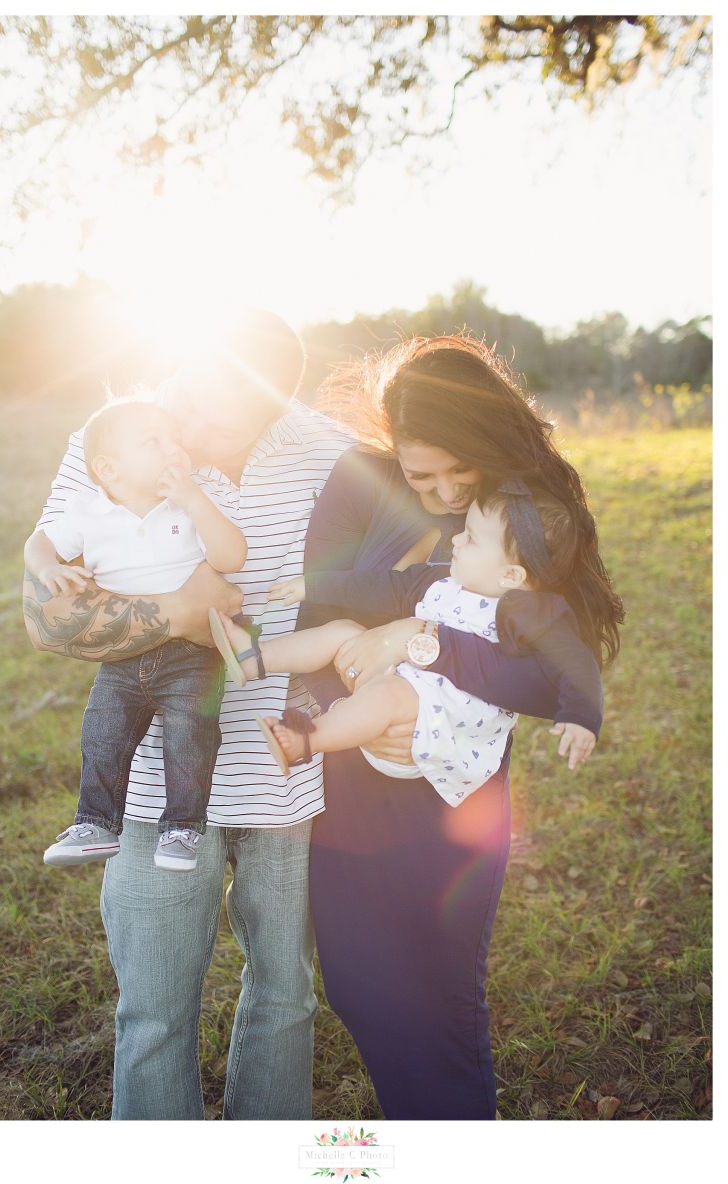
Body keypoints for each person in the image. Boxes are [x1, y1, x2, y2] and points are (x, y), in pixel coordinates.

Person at [22, 310, 355, 1119]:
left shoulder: (331, 453)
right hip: (152, 784)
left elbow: (379, 591)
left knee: (286, 997)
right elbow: (45, 616)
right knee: (155, 1013)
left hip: (286, 783)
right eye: (190, 405)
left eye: (220, 422)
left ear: (275, 406)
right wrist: (184, 610)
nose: (191, 437)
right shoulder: (112, 438)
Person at [293, 334, 623, 1120]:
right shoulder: (358, 479)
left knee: (436, 993)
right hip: (355, 768)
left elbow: (547, 671)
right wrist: (348, 701)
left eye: (458, 472)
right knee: (358, 983)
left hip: (453, 784)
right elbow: (317, 610)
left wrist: (420, 638)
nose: (444, 493)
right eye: (422, 475)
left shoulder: (522, 510)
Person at [209, 486, 601, 796]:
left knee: (389, 694)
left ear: (510, 576)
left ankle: (305, 741)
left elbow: (576, 662)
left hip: (435, 728)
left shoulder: (529, 611)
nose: (457, 540)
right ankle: (253, 659)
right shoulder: (441, 582)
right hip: (398, 687)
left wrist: (581, 717)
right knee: (344, 630)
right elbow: (380, 586)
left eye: (472, 539)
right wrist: (313, 585)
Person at [26, 397, 247, 870]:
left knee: (190, 734)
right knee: (103, 732)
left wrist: (194, 499)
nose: (174, 450)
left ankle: (183, 828)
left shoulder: (186, 505)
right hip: (125, 650)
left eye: (174, 440)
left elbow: (231, 557)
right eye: (154, 442)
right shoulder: (87, 511)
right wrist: (48, 569)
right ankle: (96, 823)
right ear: (109, 468)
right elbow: (38, 542)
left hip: (192, 652)